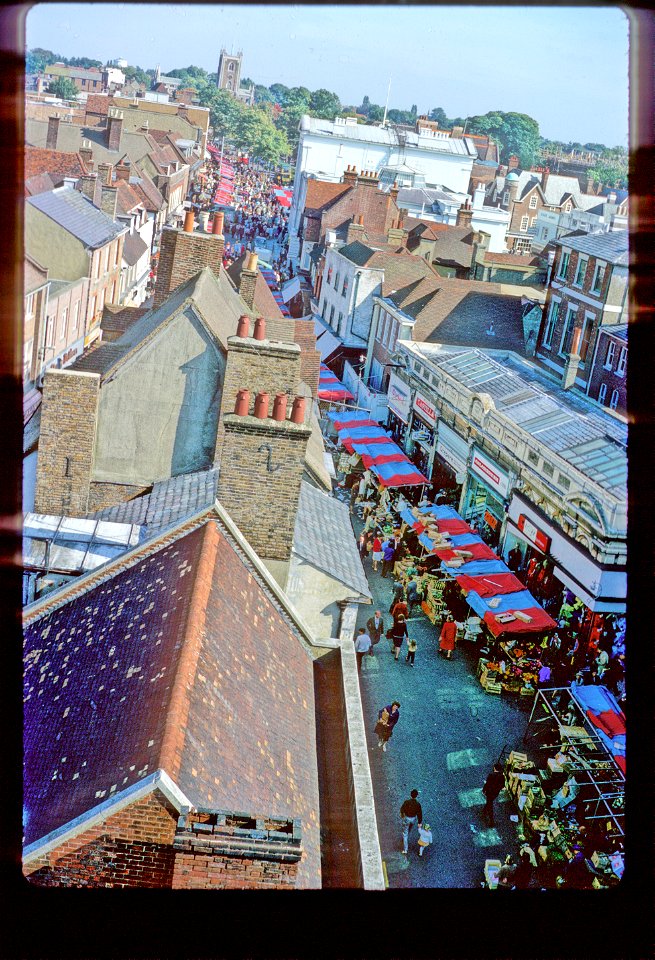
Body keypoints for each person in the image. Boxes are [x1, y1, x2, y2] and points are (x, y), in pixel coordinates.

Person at [400, 789, 423, 854]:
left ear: (411, 795)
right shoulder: (418, 804)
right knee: (410, 827)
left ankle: (405, 849)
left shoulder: (407, 802)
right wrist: (419, 822)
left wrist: (402, 814)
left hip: (407, 818)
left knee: (405, 834)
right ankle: (408, 831)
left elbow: (402, 809)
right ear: (416, 796)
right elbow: (419, 813)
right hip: (413, 818)